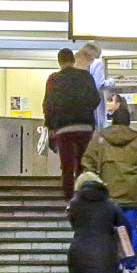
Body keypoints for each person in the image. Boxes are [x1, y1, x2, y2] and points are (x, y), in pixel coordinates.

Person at [82, 98, 137, 273]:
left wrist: (93, 183)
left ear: (113, 121)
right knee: (130, 229)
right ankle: (129, 265)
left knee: (106, 230)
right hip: (132, 194)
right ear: (128, 122)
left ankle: (108, 261)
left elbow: (87, 162)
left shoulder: (101, 138)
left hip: (107, 195)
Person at [66, 170, 126, 273]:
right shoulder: (111, 205)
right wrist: (124, 248)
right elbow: (124, 227)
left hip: (79, 251)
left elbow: (73, 222)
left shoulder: (74, 204)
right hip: (105, 253)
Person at [43, 47, 101, 198]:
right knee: (83, 164)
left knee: (67, 166)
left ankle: (69, 200)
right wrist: (85, 110)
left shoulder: (53, 80)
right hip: (84, 126)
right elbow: (96, 99)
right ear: (73, 60)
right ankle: (84, 197)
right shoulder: (86, 76)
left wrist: (50, 127)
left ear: (59, 62)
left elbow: (48, 106)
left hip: (63, 129)